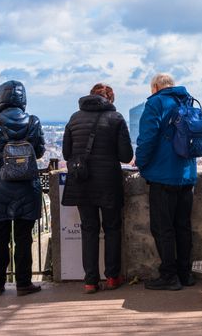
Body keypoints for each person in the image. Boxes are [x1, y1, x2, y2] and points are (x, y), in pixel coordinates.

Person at [0, 80, 45, 296]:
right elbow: (39, 151)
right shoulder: (33, 122)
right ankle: (23, 283)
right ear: (22, 100)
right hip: (26, 187)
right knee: (24, 237)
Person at [62, 83, 133, 293]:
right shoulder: (116, 118)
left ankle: (90, 281)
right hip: (108, 181)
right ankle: (112, 277)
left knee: (89, 229)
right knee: (111, 228)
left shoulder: (74, 118)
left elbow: (67, 153)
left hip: (81, 182)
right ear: (110, 99)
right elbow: (126, 156)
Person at [135, 73, 197, 290]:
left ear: (155, 87)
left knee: (163, 228)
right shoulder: (187, 100)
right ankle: (185, 273)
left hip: (163, 174)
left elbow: (147, 138)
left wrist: (141, 164)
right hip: (187, 174)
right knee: (183, 226)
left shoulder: (155, 103)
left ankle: (169, 276)